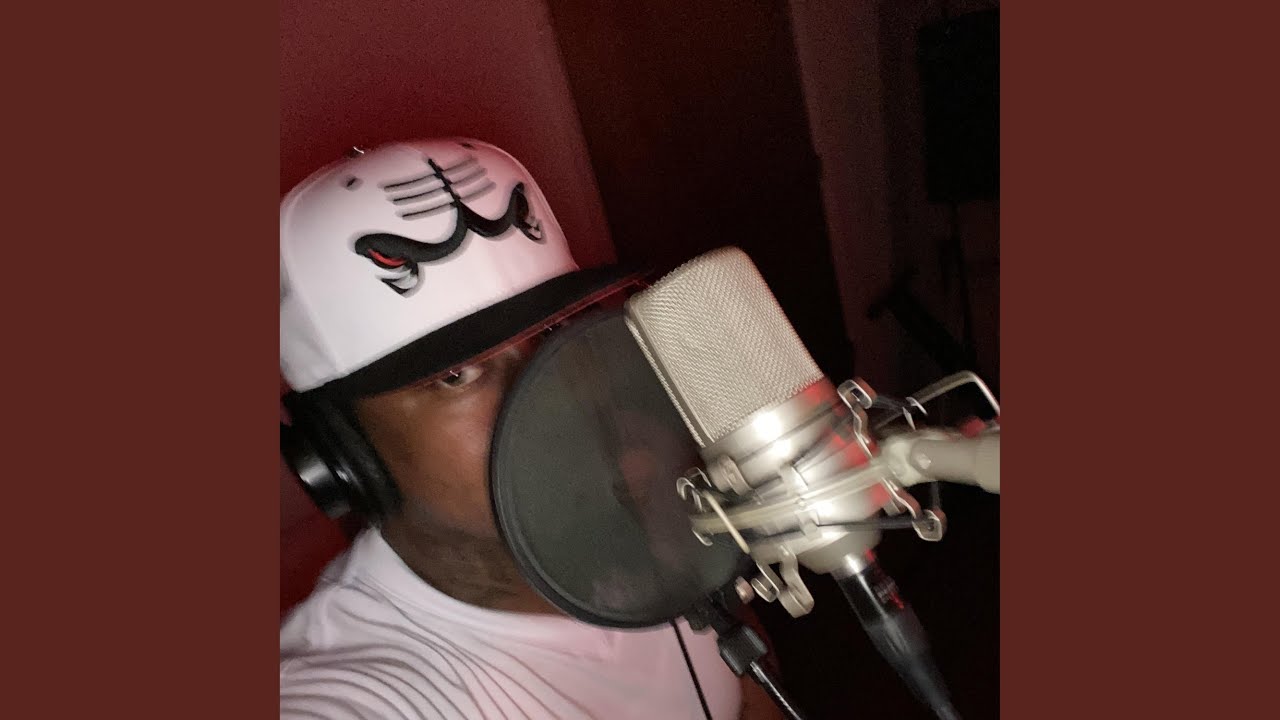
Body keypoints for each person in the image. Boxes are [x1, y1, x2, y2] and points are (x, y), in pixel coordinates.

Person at [279, 138, 783, 719]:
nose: (552, 394)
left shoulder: (652, 520)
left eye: (554, 333)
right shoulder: (347, 695)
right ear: (343, 458)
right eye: (456, 375)